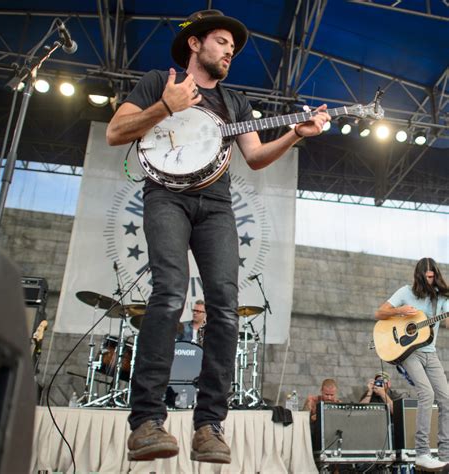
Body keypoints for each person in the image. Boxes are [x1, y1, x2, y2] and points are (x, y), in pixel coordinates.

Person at [107, 9, 330, 464]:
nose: (231, 50)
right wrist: (167, 106)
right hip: (166, 198)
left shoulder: (235, 102)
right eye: (223, 41)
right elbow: (116, 132)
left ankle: (209, 425)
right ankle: (146, 422)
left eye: (233, 47)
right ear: (195, 43)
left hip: (217, 207)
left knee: (225, 309)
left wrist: (294, 133)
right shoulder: (159, 81)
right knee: (168, 295)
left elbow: (256, 157)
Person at [375, 257, 449, 471]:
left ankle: (444, 455)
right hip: (409, 352)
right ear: (419, 276)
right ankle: (422, 453)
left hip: (430, 352)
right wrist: (400, 311)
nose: (430, 280)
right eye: (427, 277)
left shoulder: (441, 296)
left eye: (433, 276)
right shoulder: (405, 292)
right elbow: (379, 313)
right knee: (427, 393)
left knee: (446, 398)